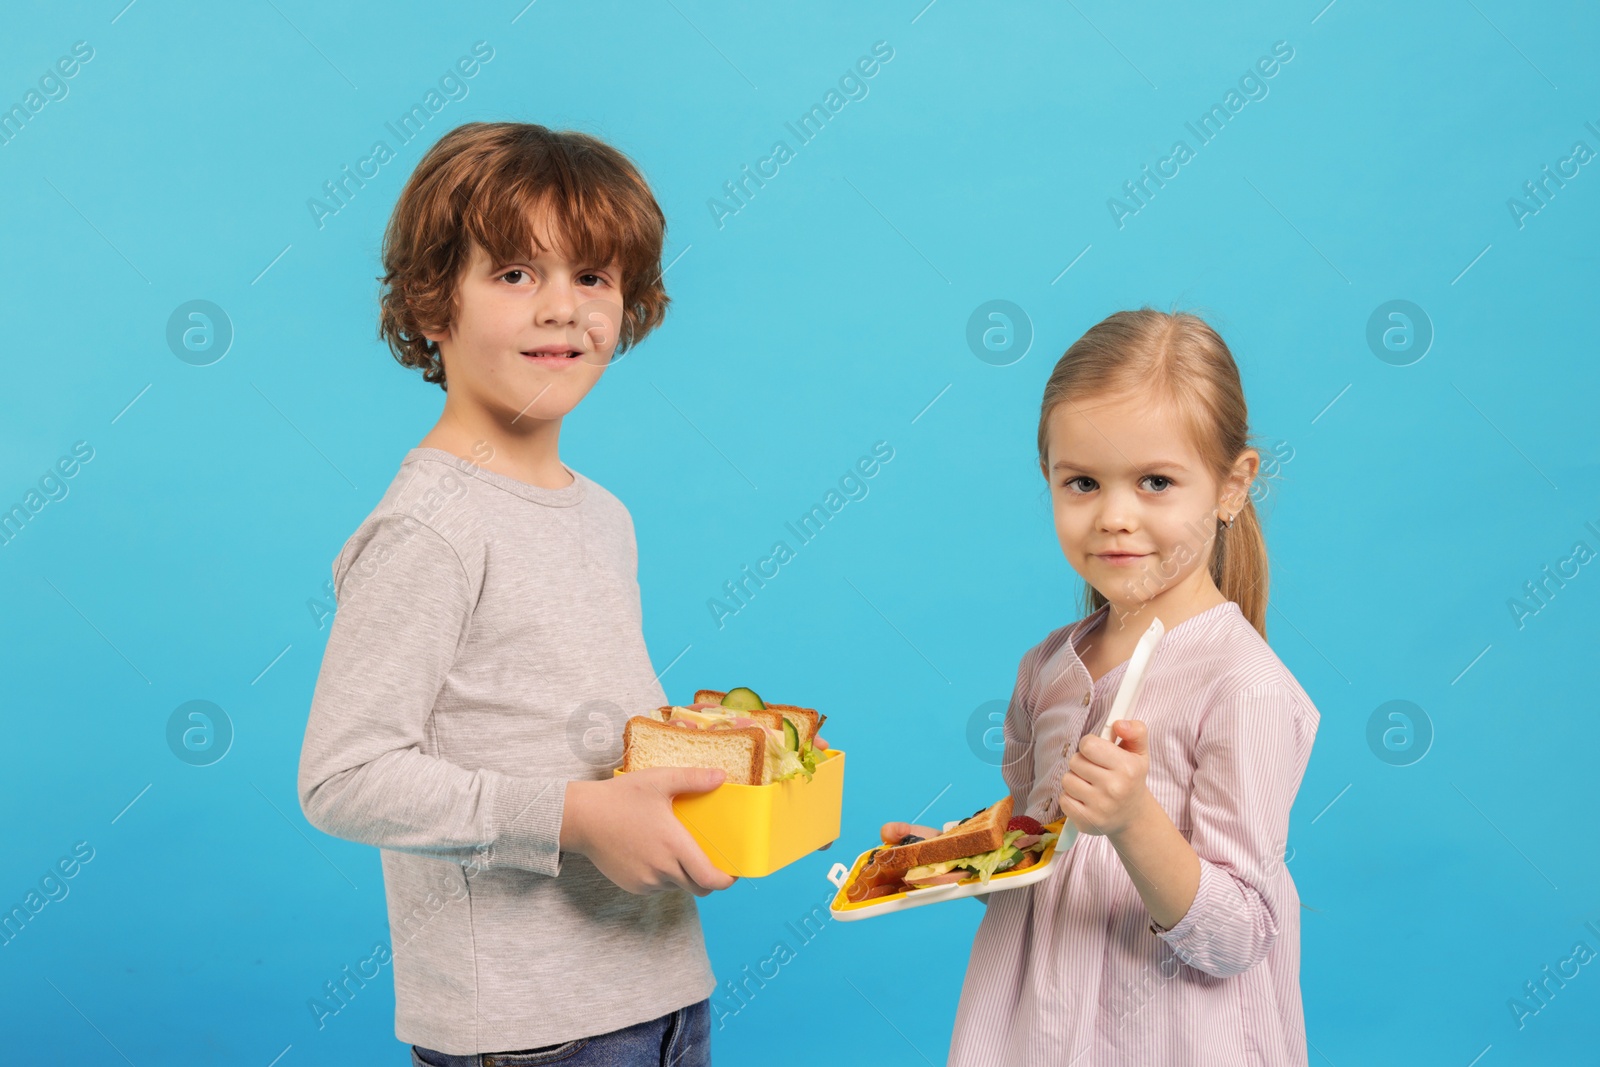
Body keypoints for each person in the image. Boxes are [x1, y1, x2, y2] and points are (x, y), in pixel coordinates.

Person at [297, 121, 746, 1066]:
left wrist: (717, 770)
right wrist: (575, 819)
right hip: (527, 1033)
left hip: (666, 991)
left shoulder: (603, 515)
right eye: (514, 274)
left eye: (592, 277)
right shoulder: (430, 528)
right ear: (431, 306)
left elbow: (592, 728)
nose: (562, 309)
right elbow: (344, 777)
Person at [881, 309, 1320, 1065]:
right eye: (1082, 482)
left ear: (1232, 484)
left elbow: (1237, 932)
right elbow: (1050, 859)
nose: (1115, 516)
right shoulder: (1048, 667)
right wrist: (964, 857)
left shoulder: (1245, 689)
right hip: (1036, 1031)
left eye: (1156, 481)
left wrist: (1133, 819)